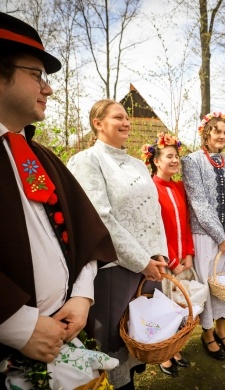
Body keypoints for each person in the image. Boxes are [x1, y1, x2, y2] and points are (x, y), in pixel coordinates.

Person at [0, 12, 117, 389]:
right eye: (36, 75)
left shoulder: (40, 156)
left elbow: (84, 230)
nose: (47, 89)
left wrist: (82, 296)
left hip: (60, 331)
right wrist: (16, 325)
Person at [67, 99, 168, 389]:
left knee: (141, 334)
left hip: (150, 267)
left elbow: (154, 209)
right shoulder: (87, 161)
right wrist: (141, 261)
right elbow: (101, 218)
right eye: (118, 117)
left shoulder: (137, 163)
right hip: (115, 269)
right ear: (98, 124)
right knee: (113, 342)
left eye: (127, 118)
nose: (126, 122)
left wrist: (158, 254)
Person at [181, 111, 225, 361]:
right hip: (206, 236)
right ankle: (208, 333)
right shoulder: (192, 161)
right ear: (205, 133)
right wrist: (221, 238)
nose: (221, 136)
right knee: (210, 285)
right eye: (216, 131)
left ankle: (223, 329)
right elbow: (198, 202)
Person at [141, 132, 194, 376]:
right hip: (164, 261)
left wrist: (189, 254)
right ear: (156, 160)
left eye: (176, 156)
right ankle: (164, 353)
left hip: (184, 260)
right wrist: (171, 259)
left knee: (180, 307)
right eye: (169, 156)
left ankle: (175, 346)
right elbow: (154, 228)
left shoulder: (179, 187)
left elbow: (186, 223)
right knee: (163, 307)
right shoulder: (150, 188)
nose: (174, 160)